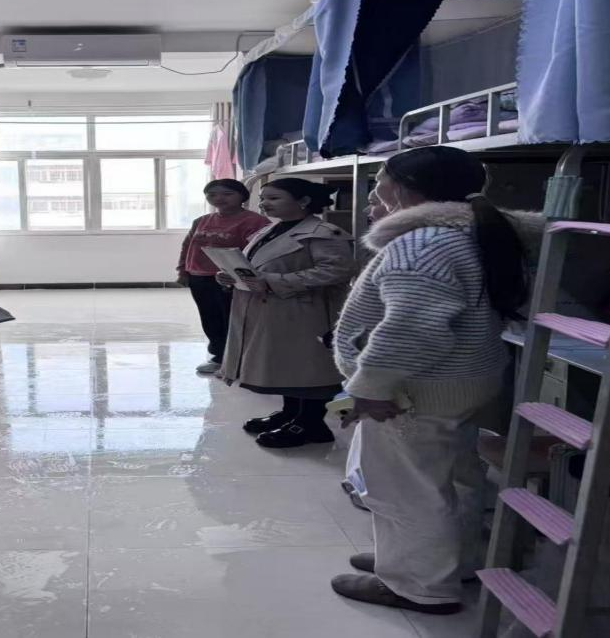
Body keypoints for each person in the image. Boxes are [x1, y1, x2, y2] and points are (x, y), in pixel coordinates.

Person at [330, 146, 538, 616]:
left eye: (379, 181)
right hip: (460, 382)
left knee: (407, 488)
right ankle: (447, 561)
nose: (373, 193)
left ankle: (418, 585)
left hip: (415, 390)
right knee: (454, 477)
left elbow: (412, 330)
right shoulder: (470, 233)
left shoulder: (422, 245)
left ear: (404, 188)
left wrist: (370, 389)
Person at [218, 177, 356, 448]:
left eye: (274, 198)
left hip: (307, 311)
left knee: (308, 367)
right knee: (286, 364)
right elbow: (256, 266)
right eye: (263, 199)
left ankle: (311, 424)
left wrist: (274, 281)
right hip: (272, 308)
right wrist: (232, 276)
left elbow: (337, 270)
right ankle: (290, 413)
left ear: (303, 201)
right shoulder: (270, 230)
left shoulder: (324, 233)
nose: (264, 204)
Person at [176, 179, 271, 374]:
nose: (219, 198)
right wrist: (182, 271)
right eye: (212, 195)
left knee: (234, 319)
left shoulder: (256, 222)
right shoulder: (202, 220)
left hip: (233, 279)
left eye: (227, 194)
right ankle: (219, 356)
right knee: (210, 318)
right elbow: (187, 246)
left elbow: (259, 253)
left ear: (242, 196)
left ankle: (240, 359)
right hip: (199, 276)